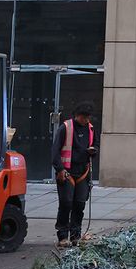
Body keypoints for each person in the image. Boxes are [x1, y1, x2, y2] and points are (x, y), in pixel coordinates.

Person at [51, 101, 98, 246]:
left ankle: (75, 235)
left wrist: (93, 151)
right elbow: (55, 151)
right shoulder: (65, 128)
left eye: (88, 117)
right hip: (67, 172)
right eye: (84, 117)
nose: (87, 120)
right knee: (66, 204)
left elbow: (95, 145)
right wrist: (60, 169)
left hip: (83, 173)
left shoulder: (90, 129)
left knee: (79, 204)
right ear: (77, 116)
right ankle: (63, 236)